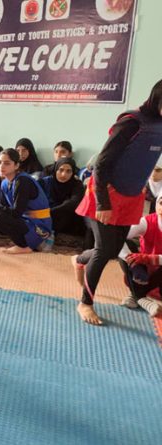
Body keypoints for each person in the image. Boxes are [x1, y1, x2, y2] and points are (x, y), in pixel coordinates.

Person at [72, 79, 162, 325]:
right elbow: (101, 163)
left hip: (132, 196)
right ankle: (85, 303)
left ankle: (79, 260)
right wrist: (102, 203)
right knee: (104, 251)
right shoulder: (132, 122)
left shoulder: (159, 124)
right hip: (107, 193)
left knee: (113, 250)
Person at [0, 149, 52, 254]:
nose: (1, 166)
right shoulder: (5, 182)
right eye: (0, 162)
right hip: (25, 219)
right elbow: (3, 206)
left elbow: (16, 212)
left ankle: (25, 245)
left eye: (7, 163)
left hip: (39, 224)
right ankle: (23, 241)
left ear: (16, 165)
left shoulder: (22, 181)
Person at [118, 194, 162, 316]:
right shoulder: (146, 221)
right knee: (126, 246)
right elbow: (117, 239)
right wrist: (134, 265)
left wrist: (150, 258)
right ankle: (141, 298)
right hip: (143, 272)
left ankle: (136, 295)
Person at [38, 157, 85, 236]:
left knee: (67, 211)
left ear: (73, 173)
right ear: (56, 170)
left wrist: (50, 212)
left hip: (64, 215)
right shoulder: (44, 182)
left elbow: (73, 203)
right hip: (45, 213)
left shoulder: (77, 184)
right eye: (61, 170)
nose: (64, 174)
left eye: (68, 171)